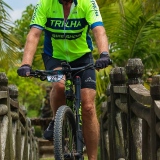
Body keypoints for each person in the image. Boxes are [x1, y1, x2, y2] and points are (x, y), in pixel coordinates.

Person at [17, 0, 111, 159]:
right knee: (59, 86)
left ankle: (93, 158)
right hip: (54, 57)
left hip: (82, 57)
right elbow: (34, 34)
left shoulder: (87, 3)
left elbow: (98, 30)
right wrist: (26, 64)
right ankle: (57, 120)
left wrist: (104, 54)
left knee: (88, 106)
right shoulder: (45, 4)